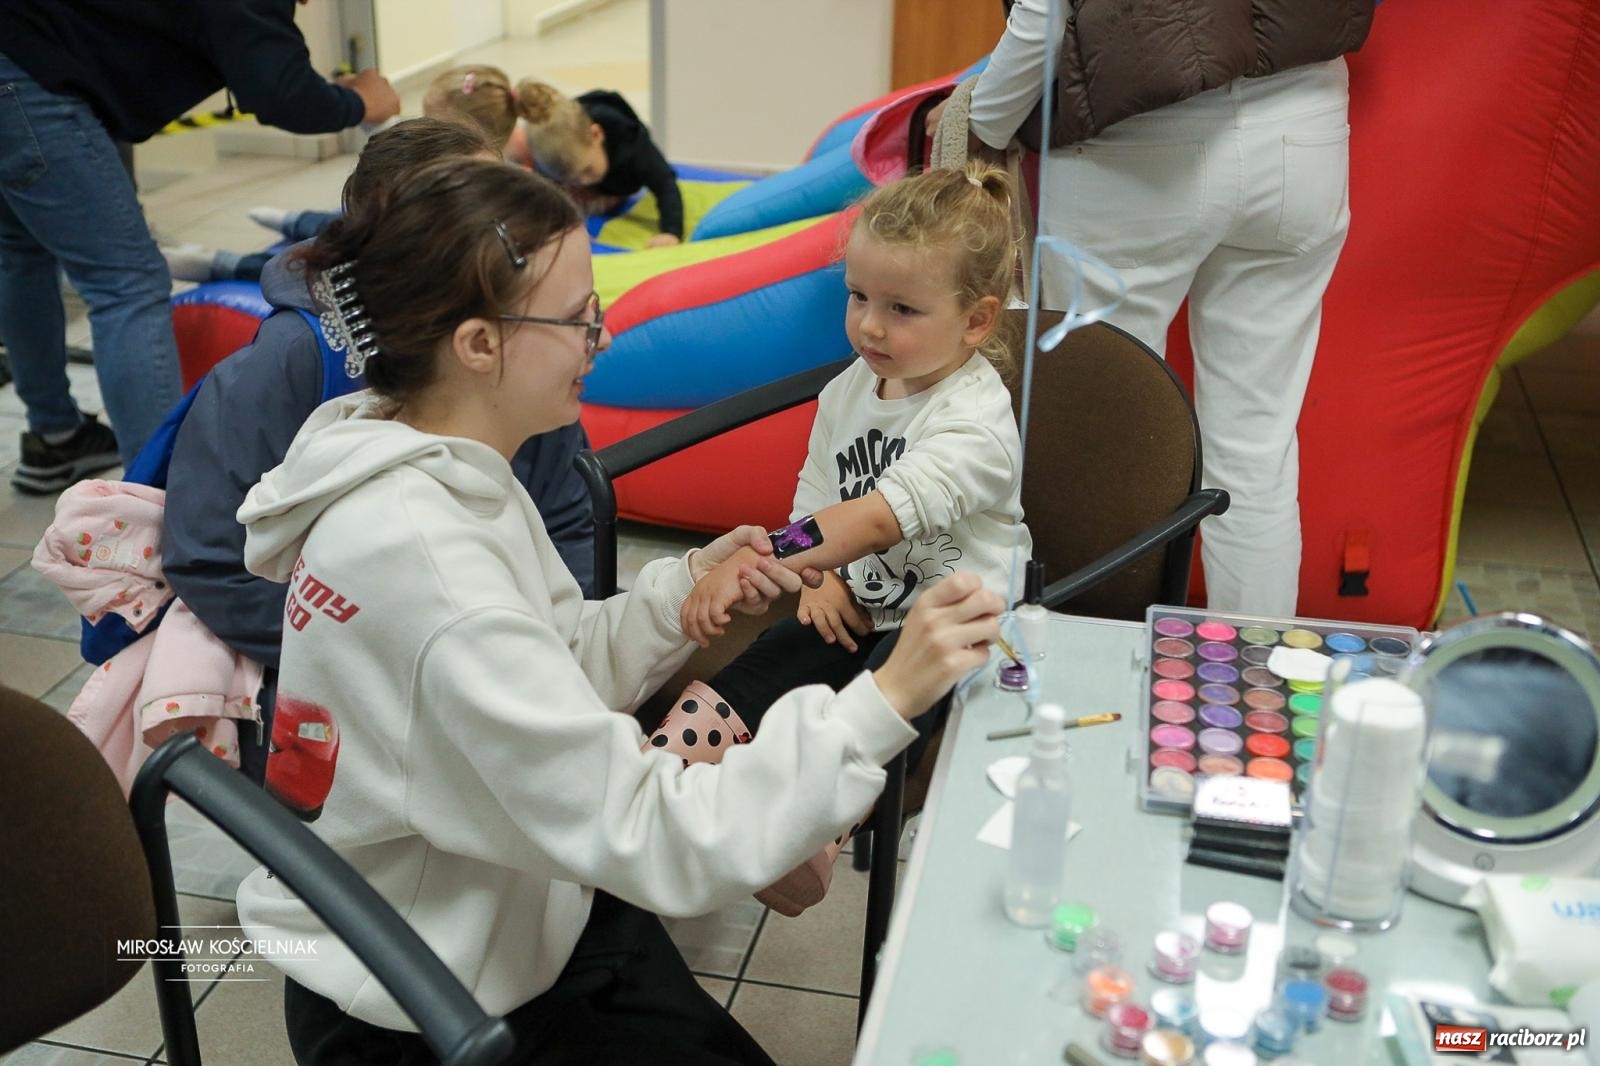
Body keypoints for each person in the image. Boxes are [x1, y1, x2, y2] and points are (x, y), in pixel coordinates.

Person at [232, 157, 1003, 1064]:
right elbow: (653, 831)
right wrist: (883, 702)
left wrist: (682, 591)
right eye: (575, 318)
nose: (600, 339)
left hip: (509, 906)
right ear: (480, 344)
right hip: (430, 993)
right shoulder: (431, 568)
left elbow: (549, 657)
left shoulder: (431, 464)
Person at [162, 118, 600, 785]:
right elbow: (210, 560)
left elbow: (568, 518)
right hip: (349, 677)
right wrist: (379, 650)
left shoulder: (525, 373)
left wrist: (548, 640)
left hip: (498, 654)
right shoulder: (288, 370)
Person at [666, 161, 1032, 910]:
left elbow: (870, 518)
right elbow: (820, 496)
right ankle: (671, 769)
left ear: (976, 321)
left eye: (901, 308)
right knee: (777, 654)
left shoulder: (977, 421)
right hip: (857, 595)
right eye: (859, 296)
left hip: (951, 616)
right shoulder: (848, 390)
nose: (869, 324)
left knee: (898, 679)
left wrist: (760, 557)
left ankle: (806, 839)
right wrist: (818, 575)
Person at [945, 0, 1372, 615]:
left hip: (1135, 143)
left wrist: (981, 123)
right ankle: (1251, 684)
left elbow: (1043, 12)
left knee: (1104, 443)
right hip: (1305, 130)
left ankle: (1089, 688)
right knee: (1257, 446)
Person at [0, 0, 401, 492]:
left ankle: (56, 436)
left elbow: (263, 65)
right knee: (128, 284)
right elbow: (280, 92)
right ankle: (158, 498)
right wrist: (360, 103)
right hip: (27, 79)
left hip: (19, 57)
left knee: (22, 253)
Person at [425, 66, 685, 248]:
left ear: (596, 135)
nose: (582, 181)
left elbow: (665, 183)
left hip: (609, 189)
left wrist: (671, 232)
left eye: (586, 172)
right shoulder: (541, 145)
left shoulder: (633, 151)